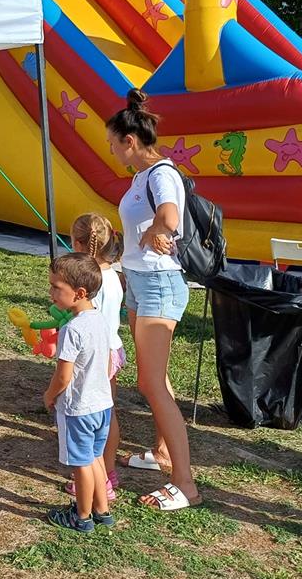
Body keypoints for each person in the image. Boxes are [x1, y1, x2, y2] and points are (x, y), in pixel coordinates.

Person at [106, 88, 201, 511]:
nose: (111, 149)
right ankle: (163, 452)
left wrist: (153, 233)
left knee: (150, 383)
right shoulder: (141, 177)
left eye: (113, 143)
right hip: (141, 282)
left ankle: (185, 483)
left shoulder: (162, 173)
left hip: (159, 284)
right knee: (155, 378)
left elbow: (170, 217)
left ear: (130, 141)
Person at [42, 253, 115, 532]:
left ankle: (82, 517)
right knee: (95, 458)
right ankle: (102, 510)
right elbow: (107, 363)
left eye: (56, 287)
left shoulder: (72, 329)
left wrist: (50, 395)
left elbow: (64, 375)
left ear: (80, 293)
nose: (51, 293)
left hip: (79, 409)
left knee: (81, 464)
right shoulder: (100, 320)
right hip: (102, 405)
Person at [69, 213, 126, 503]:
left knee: (88, 417)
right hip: (113, 351)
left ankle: (96, 480)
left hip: (97, 356)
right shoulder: (113, 276)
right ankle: (107, 471)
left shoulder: (93, 282)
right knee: (107, 415)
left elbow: (91, 325)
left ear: (79, 244)